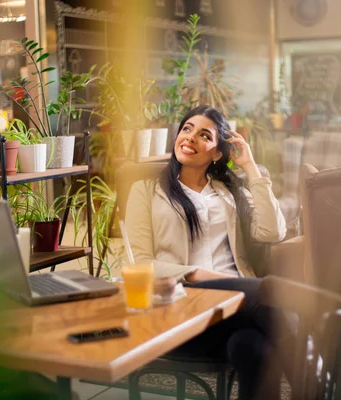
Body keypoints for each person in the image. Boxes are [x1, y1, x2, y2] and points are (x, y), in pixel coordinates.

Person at [125, 105, 294, 400]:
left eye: (204, 135)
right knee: (270, 295)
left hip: (236, 310)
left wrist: (251, 167)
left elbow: (273, 232)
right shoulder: (146, 190)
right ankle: (321, 387)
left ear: (217, 153)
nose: (190, 138)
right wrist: (197, 274)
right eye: (187, 129)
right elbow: (141, 263)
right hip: (185, 306)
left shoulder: (229, 193)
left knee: (253, 347)